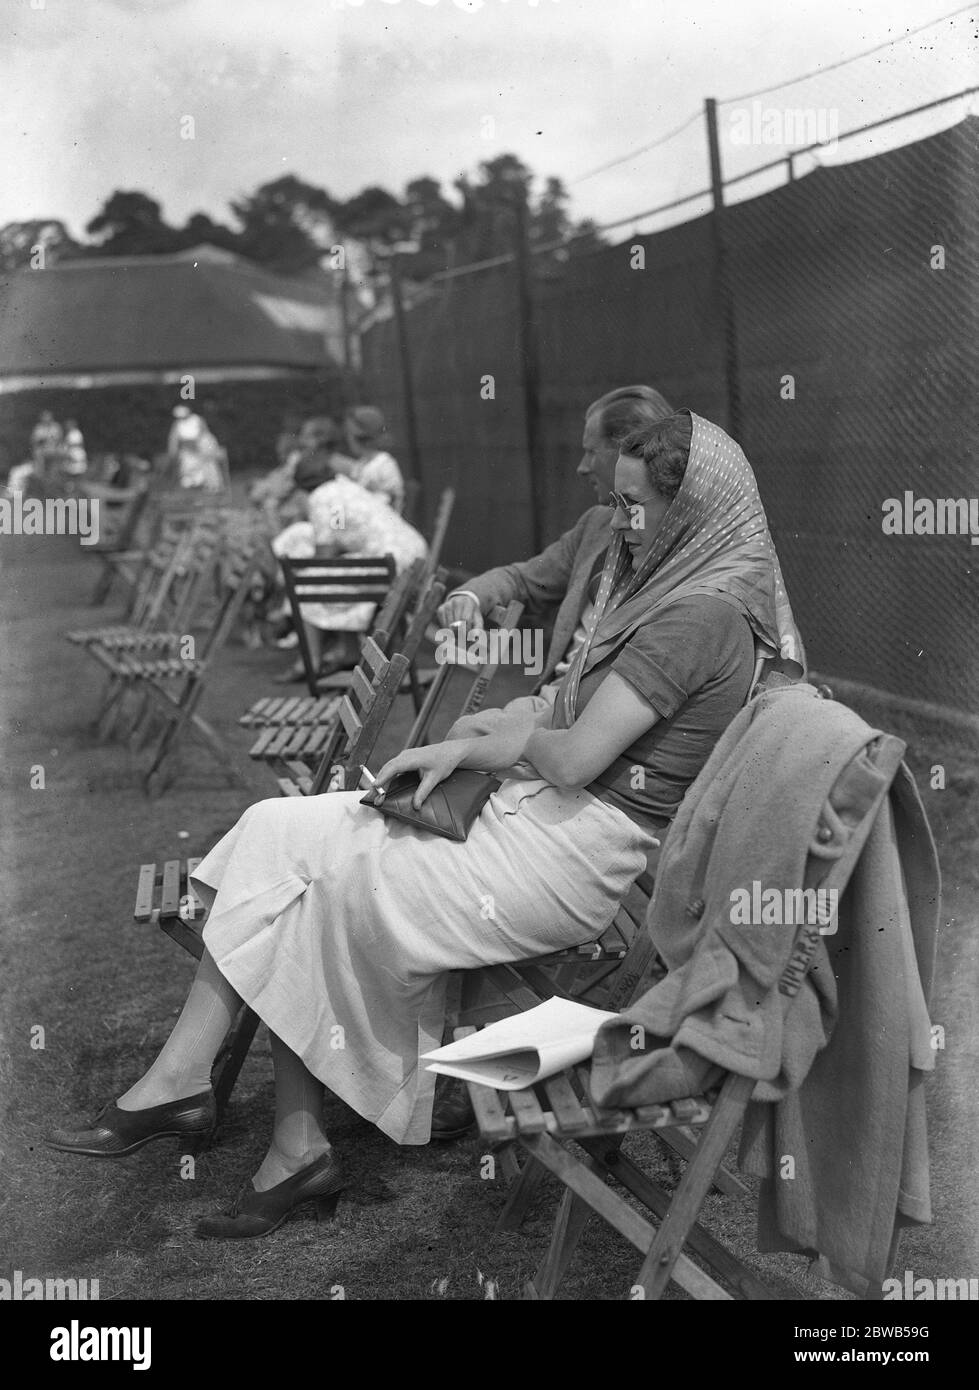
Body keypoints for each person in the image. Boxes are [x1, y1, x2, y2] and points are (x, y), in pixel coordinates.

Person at [44, 411, 804, 1241]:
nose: (621, 524)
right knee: (276, 826)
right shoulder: (664, 584)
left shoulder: (699, 615)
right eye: (619, 504)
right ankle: (185, 1080)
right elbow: (558, 711)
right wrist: (467, 743)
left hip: (575, 855)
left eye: (636, 507)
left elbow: (575, 756)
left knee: (325, 878)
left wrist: (502, 740)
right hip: (537, 817)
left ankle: (292, 1147)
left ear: (692, 510)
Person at [437, 385, 674, 706]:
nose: (581, 467)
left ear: (627, 451)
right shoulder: (596, 525)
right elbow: (523, 578)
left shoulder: (680, 544)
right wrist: (470, 596)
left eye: (591, 451)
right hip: (557, 699)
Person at [270, 447, 428, 681]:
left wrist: (300, 570)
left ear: (302, 487)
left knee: (304, 587)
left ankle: (309, 664)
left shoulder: (321, 498)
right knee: (337, 576)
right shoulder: (343, 488)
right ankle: (350, 655)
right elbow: (340, 533)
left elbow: (325, 552)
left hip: (391, 565)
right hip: (411, 556)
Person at [336, 405, 406, 513]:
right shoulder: (361, 464)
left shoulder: (384, 463)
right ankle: (336, 529)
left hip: (382, 522)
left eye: (349, 434)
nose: (347, 438)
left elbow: (392, 501)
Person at [167, 406, 225, 492]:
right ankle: (197, 484)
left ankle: (214, 486)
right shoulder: (177, 424)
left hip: (204, 447)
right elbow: (173, 439)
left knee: (209, 465)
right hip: (189, 450)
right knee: (188, 466)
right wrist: (172, 450)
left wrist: (201, 446)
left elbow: (204, 435)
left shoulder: (197, 419)